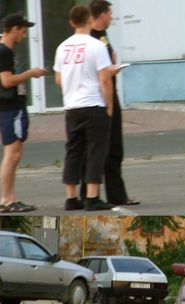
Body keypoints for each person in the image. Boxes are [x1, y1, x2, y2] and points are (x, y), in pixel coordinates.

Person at [55, 4, 118, 212]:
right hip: (93, 103)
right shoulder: (96, 45)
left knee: (73, 151)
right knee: (95, 150)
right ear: (90, 20)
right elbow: (105, 79)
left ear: (71, 22)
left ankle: (71, 197)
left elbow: (58, 79)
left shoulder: (62, 47)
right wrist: (109, 105)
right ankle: (92, 196)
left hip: (72, 106)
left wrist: (73, 86)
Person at [79, 1, 139, 206]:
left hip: (109, 94)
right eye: (110, 13)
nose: (112, 17)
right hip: (100, 98)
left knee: (114, 149)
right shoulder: (91, 38)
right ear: (102, 14)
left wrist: (112, 63)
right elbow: (95, 72)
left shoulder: (103, 35)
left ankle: (117, 195)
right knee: (95, 149)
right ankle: (87, 194)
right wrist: (110, 105)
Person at [0, 13, 48, 213]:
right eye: (23, 31)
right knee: (12, 154)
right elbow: (6, 81)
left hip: (11, 108)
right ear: (14, 29)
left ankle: (10, 198)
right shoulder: (4, 52)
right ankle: (6, 200)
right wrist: (31, 73)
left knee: (14, 154)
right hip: (10, 108)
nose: (24, 35)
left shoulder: (3, 51)